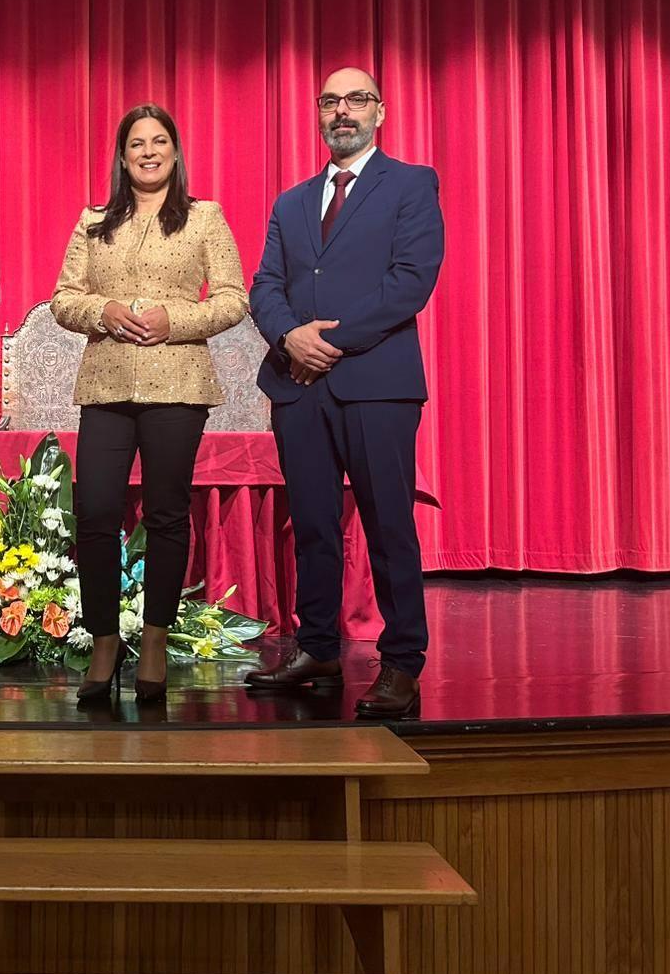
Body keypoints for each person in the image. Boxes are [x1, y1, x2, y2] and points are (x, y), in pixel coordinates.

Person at [247, 67, 444, 718]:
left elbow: (410, 282)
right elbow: (265, 287)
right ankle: (320, 646)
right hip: (299, 389)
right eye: (330, 101)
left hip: (376, 386)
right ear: (318, 113)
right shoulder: (292, 202)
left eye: (355, 99)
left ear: (379, 112)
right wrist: (289, 337)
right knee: (312, 528)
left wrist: (324, 343)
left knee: (389, 527)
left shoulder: (412, 185)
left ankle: (401, 662)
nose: (342, 110)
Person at [51, 103, 248, 704]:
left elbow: (235, 298)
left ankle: (156, 639)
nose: (148, 151)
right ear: (121, 155)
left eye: (159, 141)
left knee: (165, 514)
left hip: (178, 384)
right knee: (97, 514)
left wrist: (174, 320)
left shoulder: (204, 217)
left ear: (176, 151)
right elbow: (62, 298)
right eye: (136, 143)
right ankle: (104, 640)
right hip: (107, 384)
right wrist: (102, 311)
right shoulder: (94, 221)